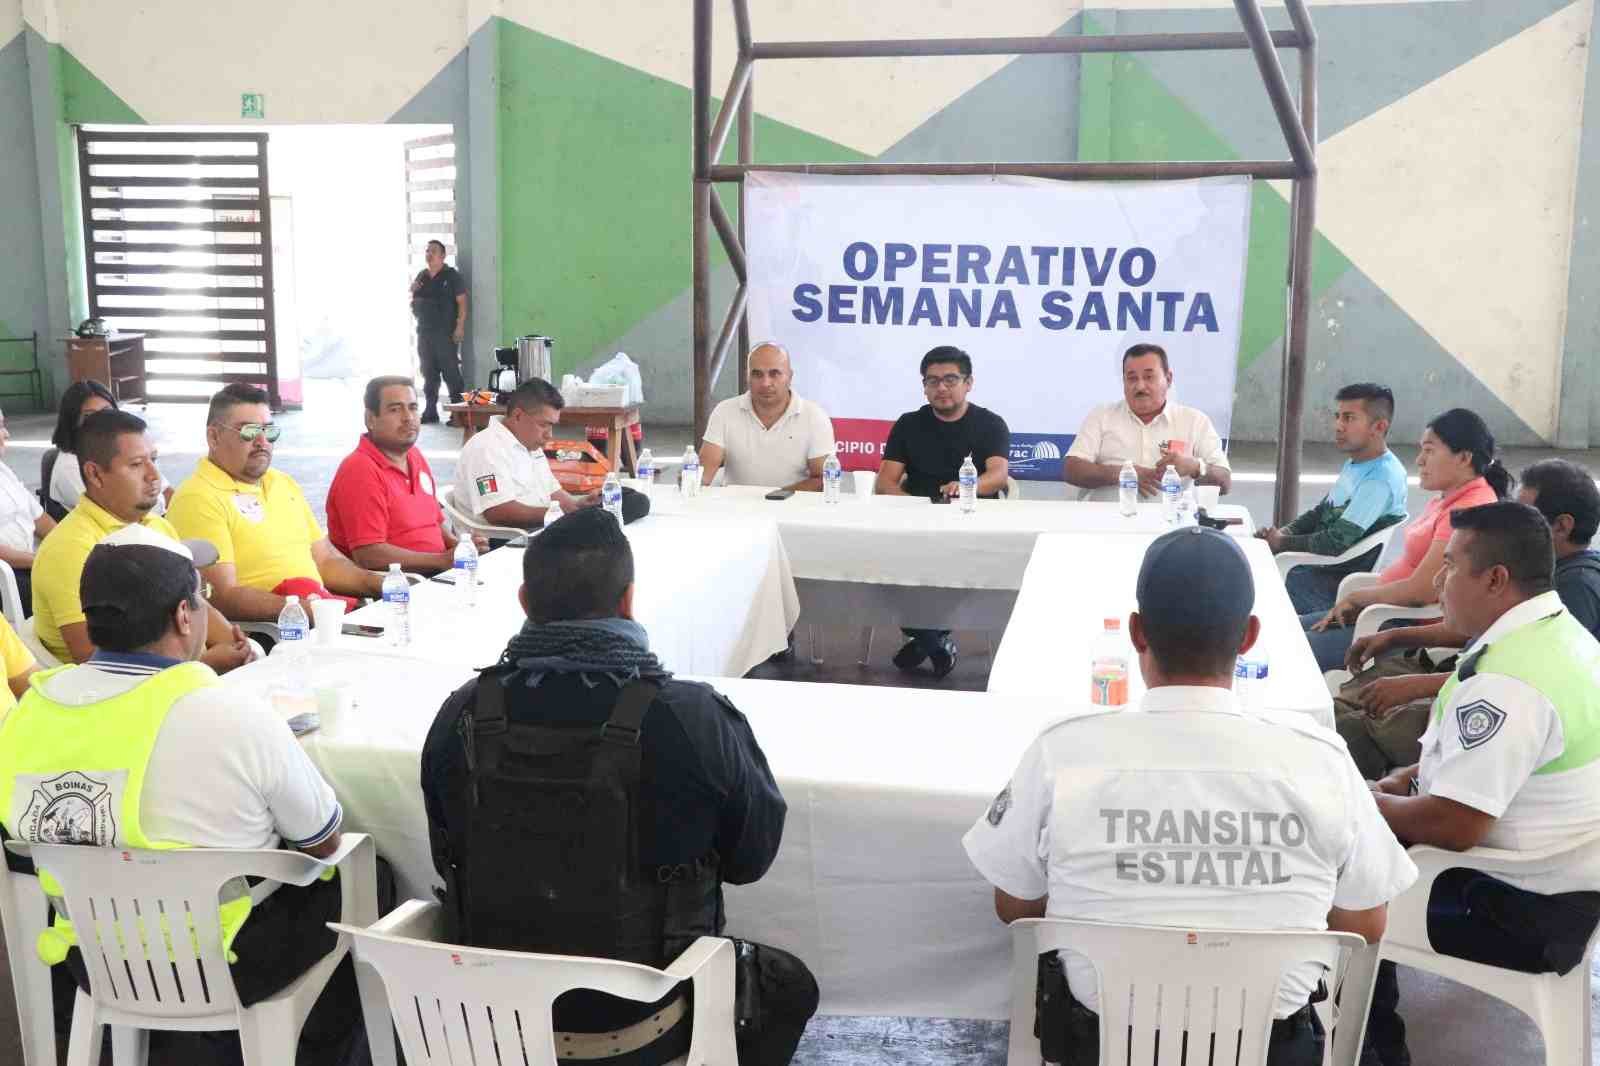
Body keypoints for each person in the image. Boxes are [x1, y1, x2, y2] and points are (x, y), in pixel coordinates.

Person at [962, 526, 1415, 1066]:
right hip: (1272, 1051)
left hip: (1100, 1047)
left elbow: (1014, 906)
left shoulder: (1062, 751)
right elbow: (1364, 926)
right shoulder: (1324, 760)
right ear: (1249, 636)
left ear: (1136, 632)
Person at [421, 507, 818, 1065]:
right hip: (646, 1023)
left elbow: (447, 858)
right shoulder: (693, 717)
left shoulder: (461, 714)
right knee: (790, 986)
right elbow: (750, 861)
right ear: (628, 601)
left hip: (491, 1018)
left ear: (524, 603)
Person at [0, 524, 370, 1066]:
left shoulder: (31, 714)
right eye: (202, 598)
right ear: (182, 615)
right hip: (225, 963)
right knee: (368, 871)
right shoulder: (231, 713)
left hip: (93, 958)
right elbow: (322, 840)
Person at [1364, 502, 1600, 1066]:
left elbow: (1458, 824)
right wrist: (1409, 778)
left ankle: (1371, 1045)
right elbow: (1487, 769)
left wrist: (1362, 804)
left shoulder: (1510, 682)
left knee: (1337, 877)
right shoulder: (1559, 638)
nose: (1439, 584)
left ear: (1496, 580)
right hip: (1567, 886)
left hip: (1512, 906)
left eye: (1449, 567)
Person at [1336, 458, 1600, 780]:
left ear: (1561, 526)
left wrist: (1416, 686)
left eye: (1523, 516)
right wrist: (1396, 636)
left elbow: (1520, 676)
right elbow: (1472, 632)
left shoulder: (1576, 587)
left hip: (1472, 686)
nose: (1509, 526)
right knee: (1348, 696)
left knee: (1348, 725)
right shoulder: (1540, 571)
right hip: (1460, 671)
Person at [31, 410, 253, 672]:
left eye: (154, 460)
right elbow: (94, 659)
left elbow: (193, 601)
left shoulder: (157, 526)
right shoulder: (70, 548)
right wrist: (204, 665)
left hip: (189, 679)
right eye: (136, 464)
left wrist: (236, 643)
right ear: (95, 474)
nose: (154, 475)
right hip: (122, 698)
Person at [1300, 408, 1507, 673]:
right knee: (1285, 631)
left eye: (1430, 451)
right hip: (1383, 613)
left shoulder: (1469, 510)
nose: (1419, 460)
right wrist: (1363, 601)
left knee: (1290, 651)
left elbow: (1422, 591)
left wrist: (1358, 597)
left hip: (1399, 625)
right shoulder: (1446, 498)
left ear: (1464, 458)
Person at [168, 384, 385, 623]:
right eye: (249, 431)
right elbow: (221, 596)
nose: (262, 441)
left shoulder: (282, 483)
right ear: (214, 436)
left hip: (318, 612)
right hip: (276, 632)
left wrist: (377, 582)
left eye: (269, 431)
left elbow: (324, 560)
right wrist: (304, 610)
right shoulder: (198, 497)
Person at [876, 346, 1010, 678]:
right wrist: (913, 509)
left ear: (969, 383)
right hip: (916, 524)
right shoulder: (909, 424)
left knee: (957, 564)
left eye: (950, 379)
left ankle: (925, 638)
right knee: (881, 562)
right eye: (932, 381)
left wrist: (965, 488)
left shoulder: (990, 424)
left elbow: (997, 476)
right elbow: (885, 482)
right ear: (924, 387)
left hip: (972, 524)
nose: (941, 388)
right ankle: (933, 638)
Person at [1260, 384, 1409, 615]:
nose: (1338, 426)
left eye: (1349, 418)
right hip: (1313, 566)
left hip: (1328, 582)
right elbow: (1321, 512)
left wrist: (1281, 543)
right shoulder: (1357, 462)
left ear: (1379, 427)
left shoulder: (1380, 479)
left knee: (1246, 582)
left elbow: (1335, 542)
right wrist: (1282, 534)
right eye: (1338, 416)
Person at [326, 376, 486, 575]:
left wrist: (460, 546)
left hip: (438, 573)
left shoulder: (414, 456)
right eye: (395, 409)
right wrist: (440, 561)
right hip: (400, 586)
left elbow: (433, 523)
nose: (408, 417)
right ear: (370, 419)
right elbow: (368, 554)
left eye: (412, 407)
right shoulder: (359, 471)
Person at [1063, 342, 1232, 501]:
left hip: (1172, 524)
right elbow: (1071, 470)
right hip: (1107, 521)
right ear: (1123, 381)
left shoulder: (1194, 421)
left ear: (1168, 378)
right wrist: (1123, 474)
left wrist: (1195, 467)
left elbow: (1224, 482)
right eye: (1132, 378)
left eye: (1149, 377)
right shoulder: (1102, 416)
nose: (1140, 386)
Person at [451, 376, 598, 529]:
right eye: (543, 425)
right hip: (500, 542)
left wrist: (578, 506)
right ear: (518, 416)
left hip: (536, 531)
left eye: (552, 426)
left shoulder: (531, 445)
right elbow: (497, 512)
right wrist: (557, 514)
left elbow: (553, 492)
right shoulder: (486, 448)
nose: (550, 434)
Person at [699, 342, 836, 491]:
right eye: (757, 374)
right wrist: (689, 479)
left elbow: (822, 479)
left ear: (790, 376)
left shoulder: (814, 416)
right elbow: (703, 473)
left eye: (774, 374)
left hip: (793, 507)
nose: (765, 383)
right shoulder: (725, 411)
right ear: (747, 376)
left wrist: (776, 497)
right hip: (736, 508)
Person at [44, 379, 173, 520]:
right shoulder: (70, 467)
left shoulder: (129, 449)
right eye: (89, 415)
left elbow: (167, 491)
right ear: (72, 421)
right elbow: (125, 516)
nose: (102, 420)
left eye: (107, 411)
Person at [0, 403, 56, 614]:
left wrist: (68, 543)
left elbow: (39, 518)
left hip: (29, 562)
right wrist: (38, 562)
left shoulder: (3, 470)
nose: (6, 433)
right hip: (7, 577)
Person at [409, 238, 468, 423]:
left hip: (445, 333)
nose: (429, 254)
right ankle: (430, 411)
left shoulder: (451, 276)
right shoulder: (422, 276)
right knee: (428, 372)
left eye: (433, 251)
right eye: (427, 250)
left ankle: (458, 413)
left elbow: (462, 302)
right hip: (424, 332)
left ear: (443, 255)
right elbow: (414, 299)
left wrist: (460, 326)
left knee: (451, 372)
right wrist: (412, 290)